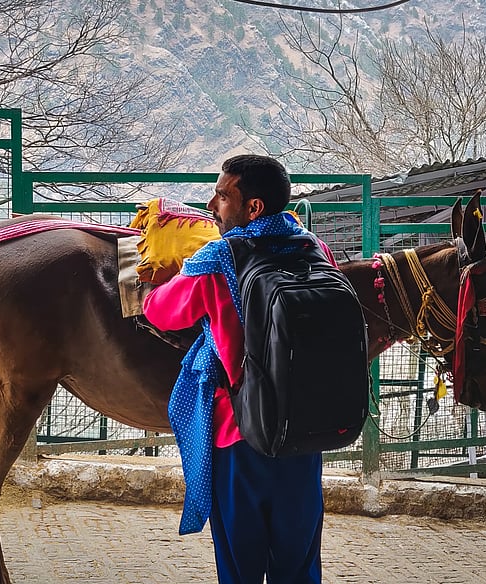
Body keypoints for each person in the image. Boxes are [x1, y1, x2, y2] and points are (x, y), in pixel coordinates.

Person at [143, 154, 331, 583]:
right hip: (304, 433)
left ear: (253, 208)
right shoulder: (314, 248)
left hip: (240, 430)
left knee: (240, 565)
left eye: (223, 195)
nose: (212, 205)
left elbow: (164, 312)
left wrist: (151, 284)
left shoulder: (218, 258)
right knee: (299, 563)